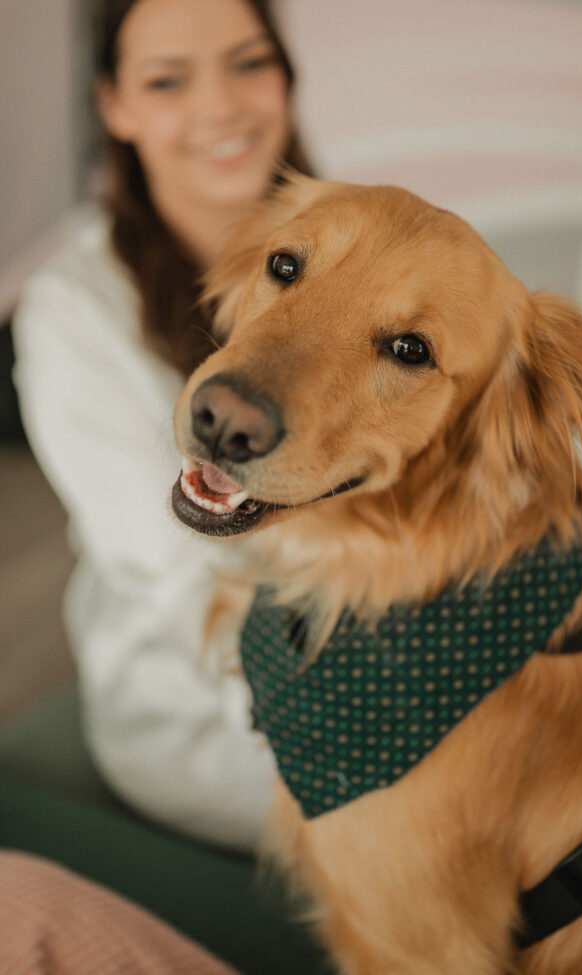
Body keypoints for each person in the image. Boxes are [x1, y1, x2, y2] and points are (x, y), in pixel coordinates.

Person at [12, 0, 314, 853]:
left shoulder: (353, 245)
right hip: (205, 700)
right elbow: (189, 588)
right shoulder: (71, 311)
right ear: (114, 105)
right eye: (169, 80)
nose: (221, 106)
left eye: (249, 63)